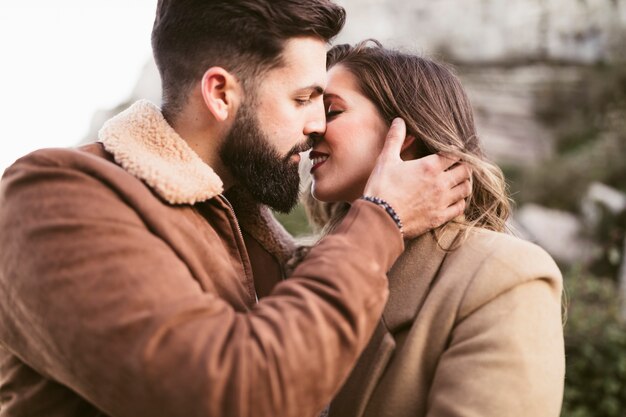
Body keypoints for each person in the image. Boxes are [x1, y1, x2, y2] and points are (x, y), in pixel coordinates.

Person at [0, 3, 472, 417]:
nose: (316, 125)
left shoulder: (244, 222)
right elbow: (236, 394)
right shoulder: (52, 197)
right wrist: (380, 219)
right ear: (220, 94)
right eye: (303, 99)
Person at [302, 41, 565, 417]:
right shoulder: (300, 270)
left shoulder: (505, 276)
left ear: (403, 132)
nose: (311, 127)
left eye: (332, 111)